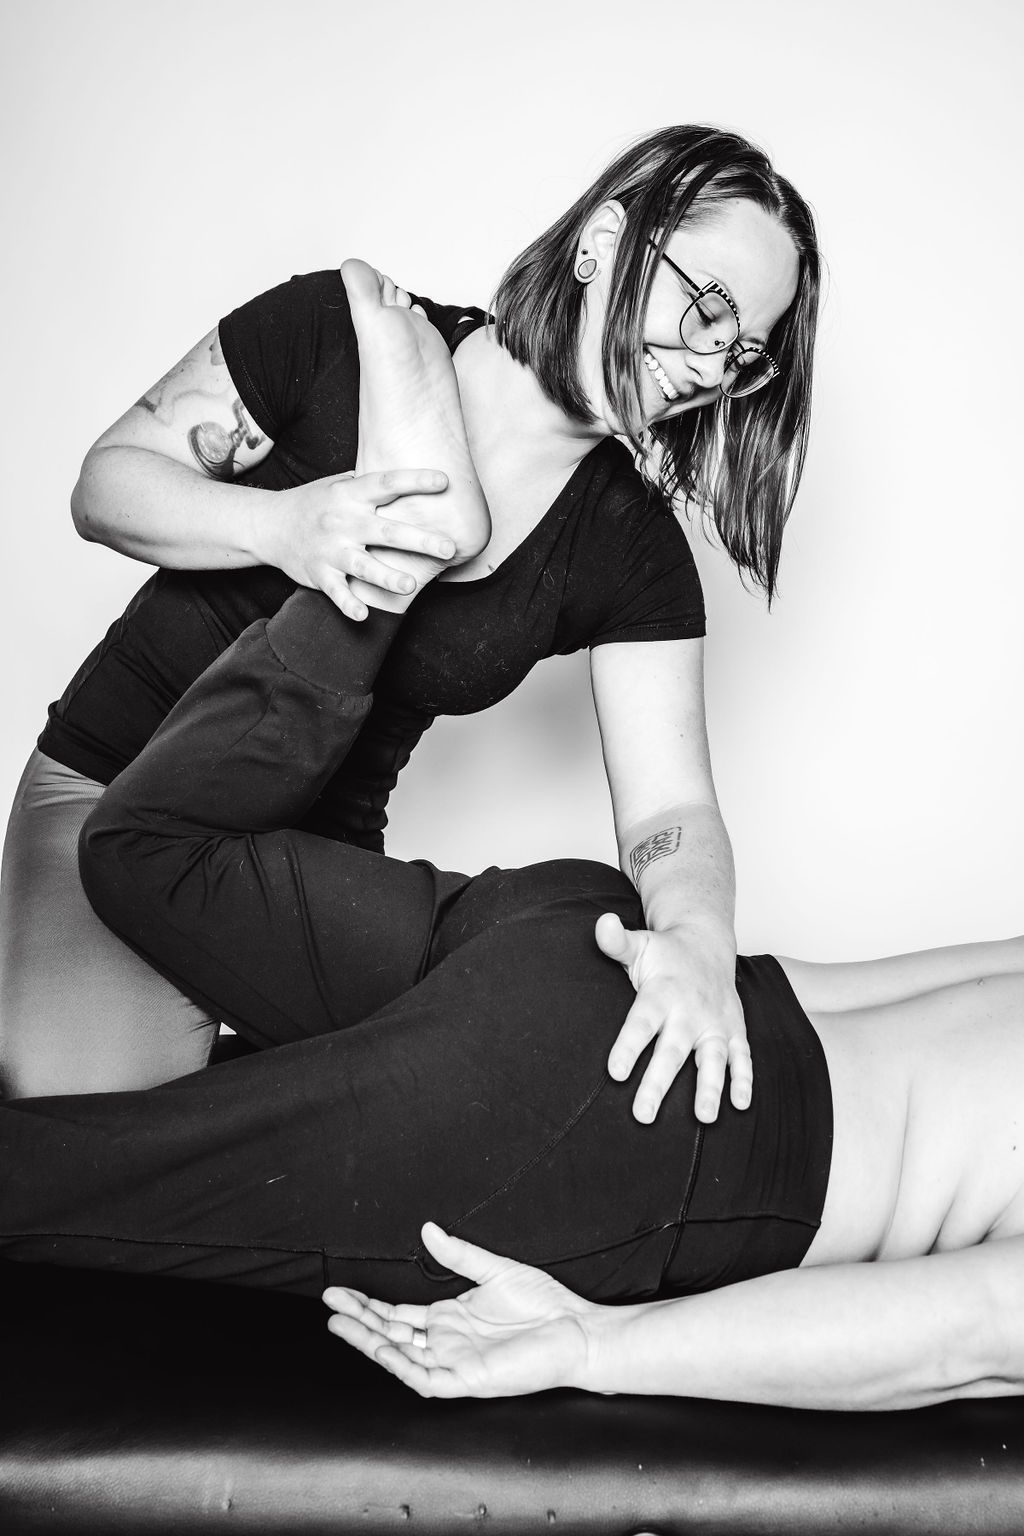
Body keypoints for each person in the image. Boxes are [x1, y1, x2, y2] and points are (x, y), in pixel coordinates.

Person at [1, 587, 1022, 1415]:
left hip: (597, 941)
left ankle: (376, 555)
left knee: (142, 854)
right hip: (632, 1119)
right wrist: (589, 1343)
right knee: (49, 1184)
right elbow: (959, 1340)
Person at [0, 125, 820, 1119]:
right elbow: (104, 487)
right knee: (85, 1163)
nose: (707, 368)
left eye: (743, 353)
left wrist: (693, 939)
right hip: (113, 792)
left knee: (421, 1129)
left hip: (311, 858)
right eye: (705, 308)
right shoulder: (341, 333)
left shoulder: (627, 547)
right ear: (604, 240)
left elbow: (670, 813)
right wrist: (283, 526)